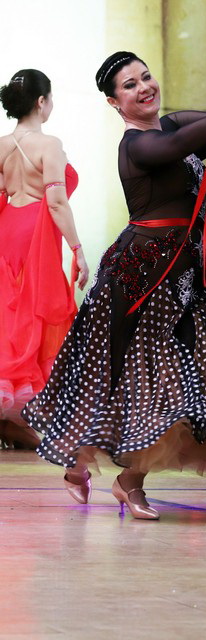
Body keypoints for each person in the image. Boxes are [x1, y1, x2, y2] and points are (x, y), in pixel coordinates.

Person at [23, 51, 206, 520]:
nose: (144, 87)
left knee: (176, 383)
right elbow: (182, 142)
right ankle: (83, 466)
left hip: (182, 277)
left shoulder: (170, 125)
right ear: (114, 102)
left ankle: (128, 481)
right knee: (118, 380)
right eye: (130, 85)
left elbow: (204, 129)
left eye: (145, 77)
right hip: (136, 279)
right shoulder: (136, 145)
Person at [0, 69, 88, 449]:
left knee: (9, 317)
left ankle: (10, 418)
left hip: (6, 232)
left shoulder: (1, 145)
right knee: (35, 314)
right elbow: (56, 202)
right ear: (42, 101)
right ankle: (18, 416)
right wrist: (78, 249)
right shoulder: (49, 144)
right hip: (35, 238)